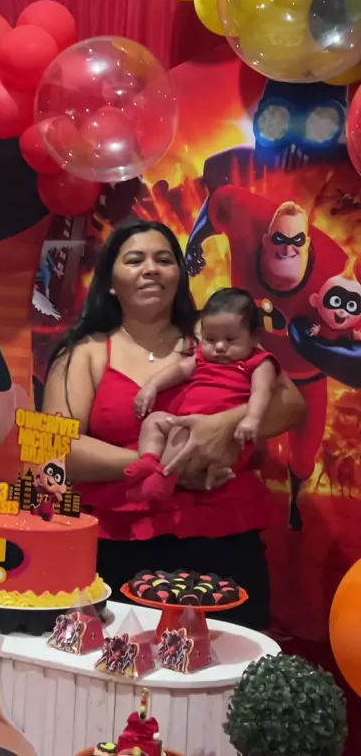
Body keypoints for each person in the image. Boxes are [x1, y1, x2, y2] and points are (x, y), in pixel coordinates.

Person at [42, 220, 305, 630]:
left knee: (228, 660)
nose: (151, 269)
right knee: (123, 660)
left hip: (222, 534)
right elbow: (58, 449)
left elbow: (291, 405)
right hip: (119, 539)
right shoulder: (86, 353)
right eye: (135, 260)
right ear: (109, 282)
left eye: (164, 260)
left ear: (179, 277)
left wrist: (223, 424)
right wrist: (163, 464)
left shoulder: (215, 340)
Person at [125, 287, 279, 502]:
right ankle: (149, 461)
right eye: (210, 339)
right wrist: (152, 386)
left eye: (231, 339)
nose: (220, 347)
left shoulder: (258, 362)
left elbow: (262, 392)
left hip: (226, 437)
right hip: (186, 422)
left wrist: (251, 419)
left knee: (183, 434)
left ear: (254, 337)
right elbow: (180, 369)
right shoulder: (202, 359)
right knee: (155, 420)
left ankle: (161, 479)